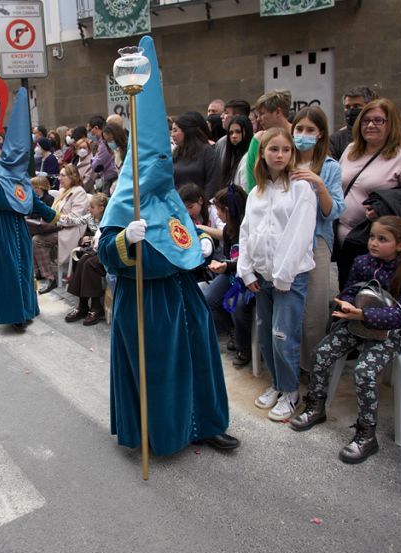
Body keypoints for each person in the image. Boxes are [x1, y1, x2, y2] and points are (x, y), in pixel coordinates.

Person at [98, 35, 239, 454]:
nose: (163, 168)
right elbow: (106, 251)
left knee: (200, 361)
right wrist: (125, 239)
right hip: (146, 301)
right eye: (155, 161)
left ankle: (207, 423)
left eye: (167, 160)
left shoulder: (169, 196)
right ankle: (162, 432)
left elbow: (181, 236)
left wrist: (200, 244)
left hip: (181, 295)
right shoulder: (126, 197)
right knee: (159, 369)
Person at [290, 216, 401, 463]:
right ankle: (316, 406)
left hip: (393, 333)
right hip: (358, 321)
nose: (373, 243)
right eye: (372, 237)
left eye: (382, 239)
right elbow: (351, 289)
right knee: (321, 353)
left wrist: (365, 314)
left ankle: (367, 433)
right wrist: (347, 303)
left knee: (364, 371)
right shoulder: (363, 262)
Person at [238, 127, 318, 422]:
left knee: (284, 335)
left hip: (290, 276)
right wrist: (246, 271)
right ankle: (277, 384)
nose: (280, 155)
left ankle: (291, 391)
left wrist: (283, 275)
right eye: (274, 149)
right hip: (262, 275)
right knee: (267, 333)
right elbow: (247, 232)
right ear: (262, 153)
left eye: (286, 149)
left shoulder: (300, 188)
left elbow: (299, 234)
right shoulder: (256, 191)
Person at [0, 88, 59, 331]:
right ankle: (14, 314)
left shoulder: (19, 174)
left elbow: (29, 200)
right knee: (6, 270)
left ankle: (27, 308)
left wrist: (53, 213)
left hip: (17, 226)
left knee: (23, 267)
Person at [335, 98, 401, 289]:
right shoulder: (351, 150)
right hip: (347, 241)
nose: (370, 125)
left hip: (380, 245)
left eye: (378, 120)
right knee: (348, 292)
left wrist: (384, 209)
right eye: (365, 120)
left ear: (391, 124)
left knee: (375, 298)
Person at [289, 106, 345, 368]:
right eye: (299, 129)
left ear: (321, 134)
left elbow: (332, 211)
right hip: (286, 244)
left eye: (310, 130)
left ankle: (314, 367)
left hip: (317, 243)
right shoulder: (284, 160)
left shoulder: (330, 167)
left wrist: (319, 184)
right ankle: (291, 362)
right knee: (290, 306)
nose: (303, 134)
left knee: (314, 309)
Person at [203, 185, 252, 365]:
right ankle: (231, 330)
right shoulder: (229, 228)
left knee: (241, 306)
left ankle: (244, 347)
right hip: (230, 273)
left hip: (248, 278)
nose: (217, 213)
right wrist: (199, 227)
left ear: (227, 210)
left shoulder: (249, 225)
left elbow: (249, 261)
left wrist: (227, 265)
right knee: (208, 298)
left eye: (218, 209)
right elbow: (221, 235)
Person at [32, 164, 88, 295]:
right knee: (31, 233)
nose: (59, 178)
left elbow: (75, 218)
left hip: (70, 230)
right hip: (58, 227)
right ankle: (36, 272)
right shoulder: (63, 190)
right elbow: (53, 211)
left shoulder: (79, 192)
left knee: (37, 240)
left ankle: (50, 278)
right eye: (59, 175)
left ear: (72, 176)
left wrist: (55, 219)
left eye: (63, 175)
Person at [64, 192, 110, 325]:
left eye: (92, 207)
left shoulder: (108, 217)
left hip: (106, 249)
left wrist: (91, 239)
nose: (89, 209)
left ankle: (96, 307)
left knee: (90, 264)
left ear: (101, 208)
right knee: (82, 260)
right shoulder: (92, 216)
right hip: (98, 248)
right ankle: (82, 305)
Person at [244, 90, 293, 191]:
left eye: (262, 114)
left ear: (278, 112)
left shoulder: (299, 137)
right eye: (274, 149)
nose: (258, 119)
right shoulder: (258, 140)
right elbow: (252, 180)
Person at [171, 112, 218, 197]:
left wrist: (204, 204)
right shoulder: (175, 153)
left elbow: (213, 182)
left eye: (175, 130)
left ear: (186, 131)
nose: (172, 134)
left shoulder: (207, 151)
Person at [329, 86, 376, 161]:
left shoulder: (378, 136)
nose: (351, 110)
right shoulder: (336, 140)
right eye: (347, 107)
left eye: (356, 106)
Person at [216, 114, 252, 190]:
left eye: (238, 132)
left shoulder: (250, 156)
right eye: (231, 133)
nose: (234, 136)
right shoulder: (231, 156)